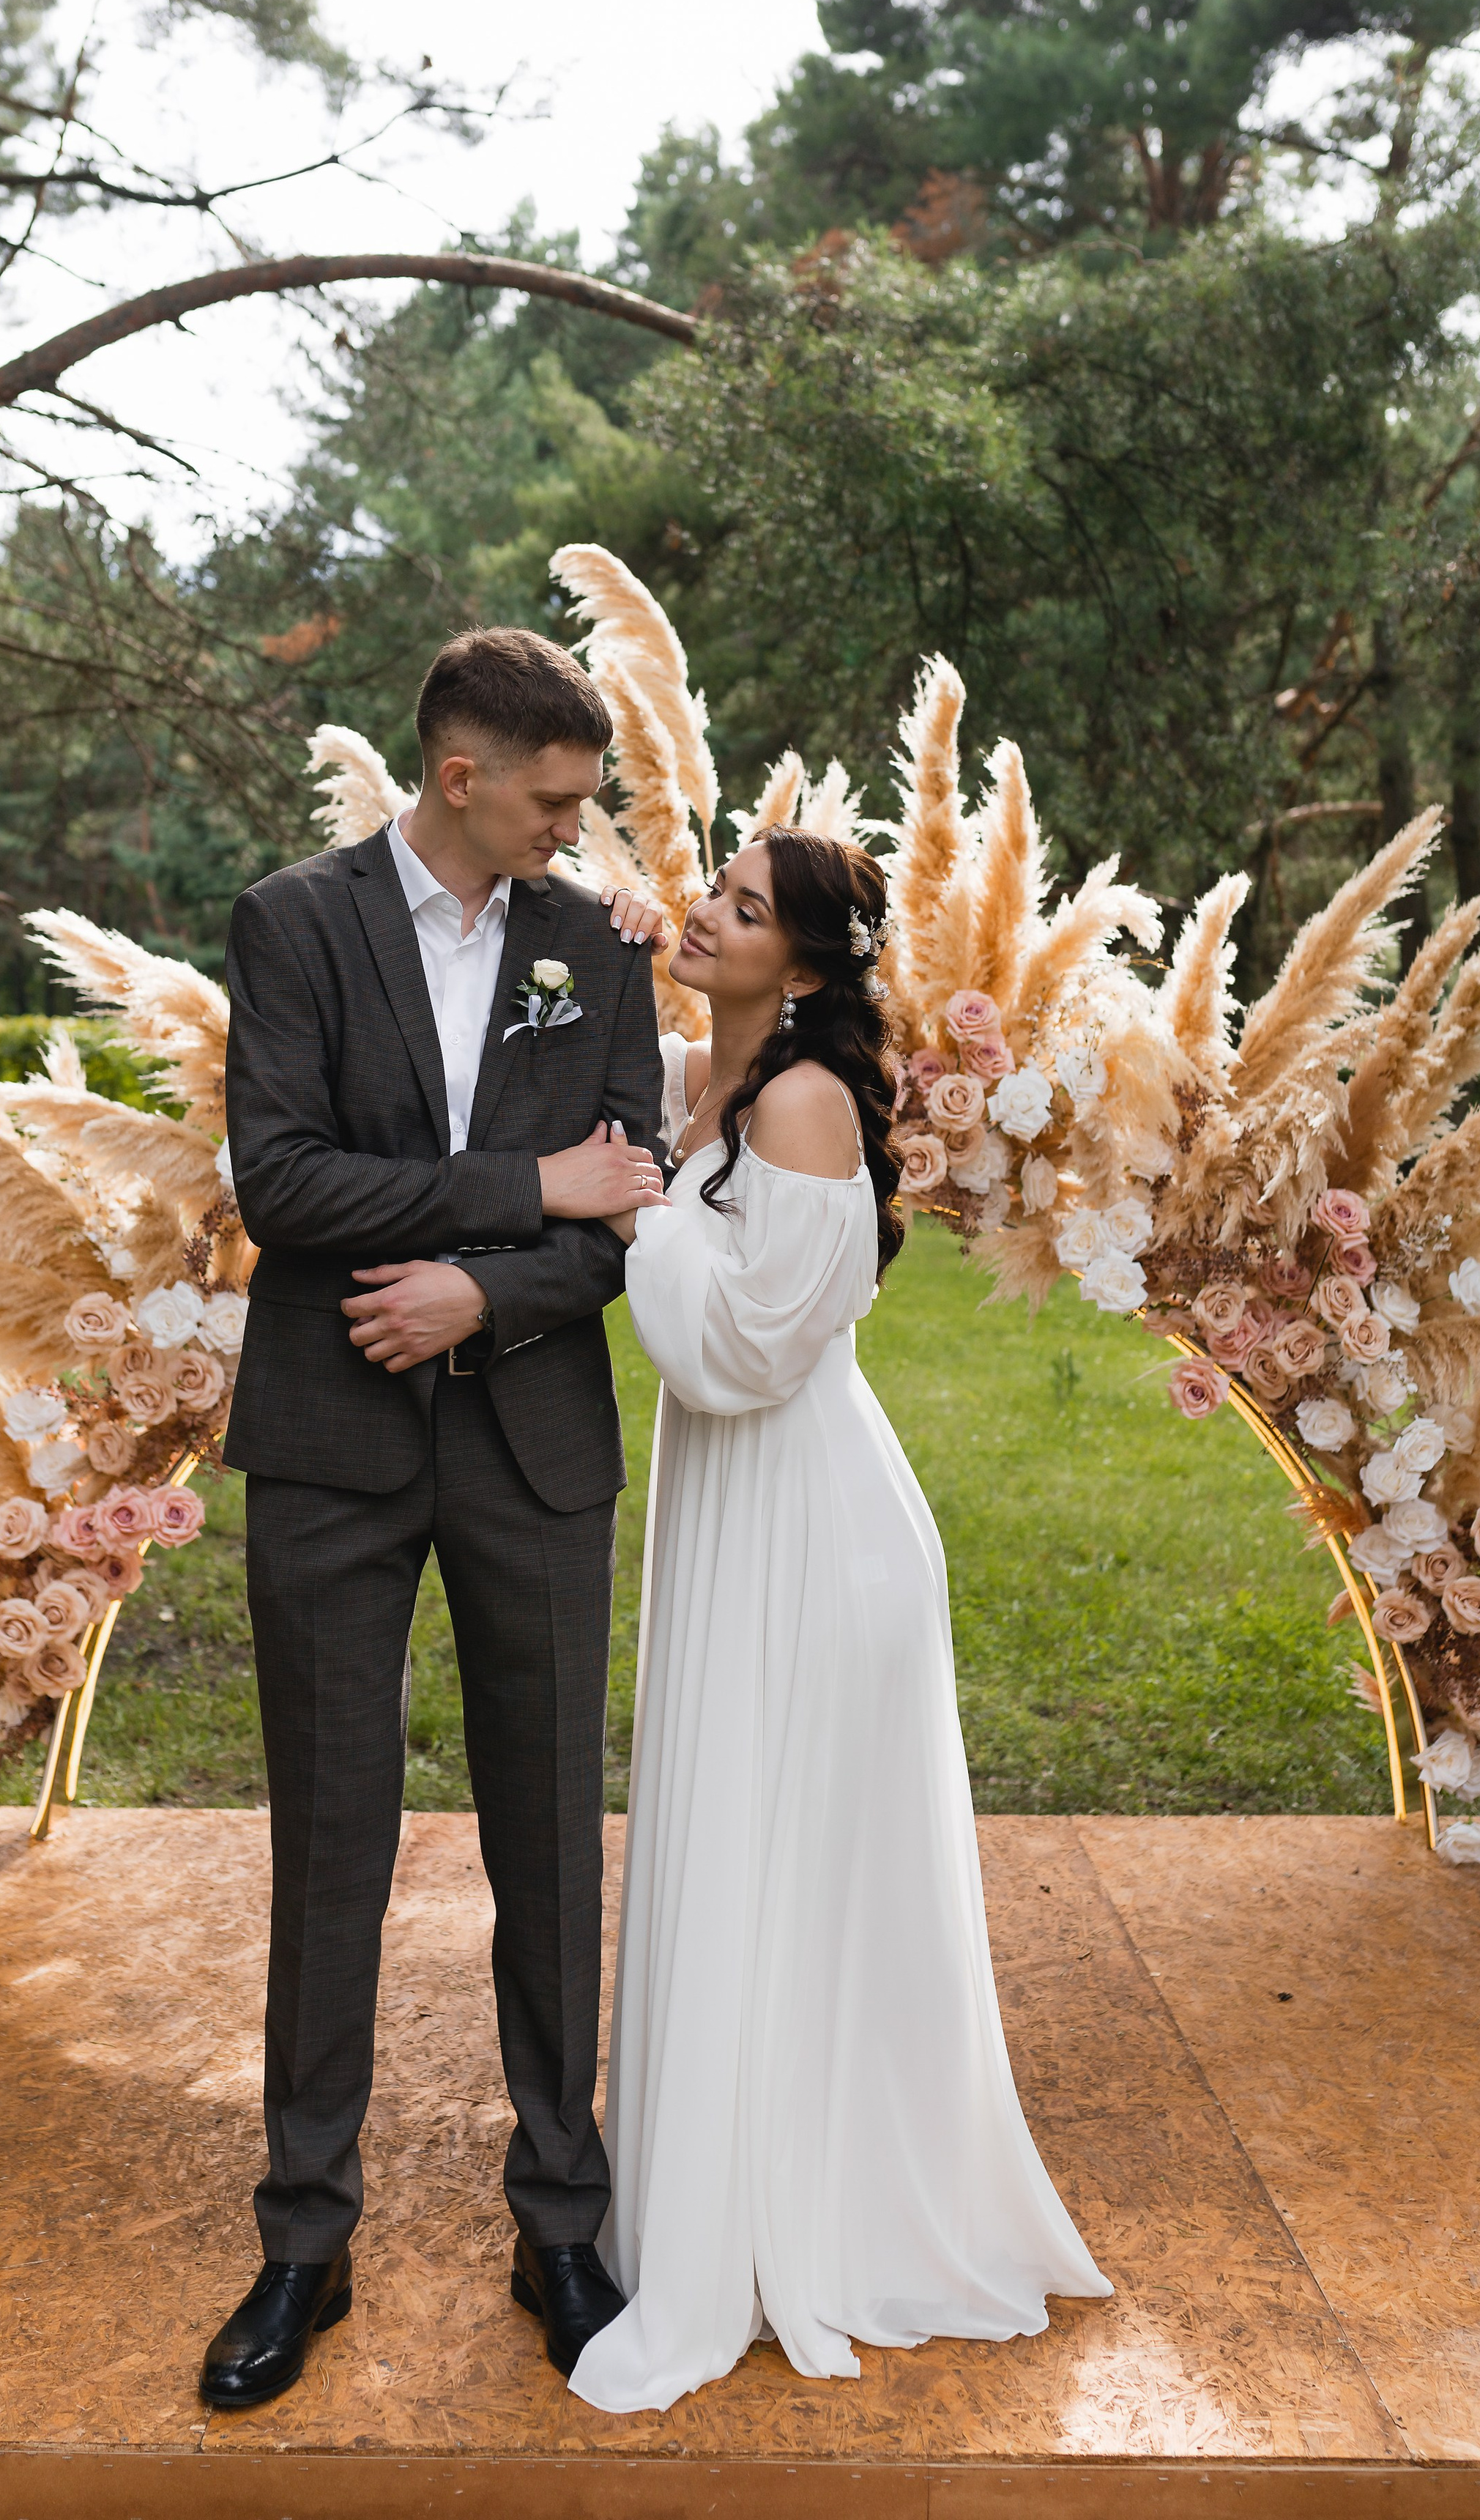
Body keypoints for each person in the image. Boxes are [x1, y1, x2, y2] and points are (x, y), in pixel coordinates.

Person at [567, 823, 1112, 2415]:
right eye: (709, 890)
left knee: (791, 1853)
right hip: (735, 1513)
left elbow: (738, 1353)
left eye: (739, 909)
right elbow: (624, 1044)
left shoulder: (802, 1104)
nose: (704, 915)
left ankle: (816, 2207)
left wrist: (633, 1217)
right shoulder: (696, 1074)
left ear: (800, 966)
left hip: (812, 1526)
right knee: (737, 1835)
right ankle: (720, 2186)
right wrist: (603, 924)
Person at [201, 627, 672, 2409]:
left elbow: (624, 1197)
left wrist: (493, 1291)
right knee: (329, 1841)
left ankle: (559, 2213)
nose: (581, 824)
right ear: (459, 776)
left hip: (532, 1439)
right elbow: (285, 1176)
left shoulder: (589, 941)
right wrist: (515, 1188)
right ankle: (302, 2240)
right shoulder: (293, 919)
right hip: (331, 1445)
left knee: (548, 1840)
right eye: (555, 796)